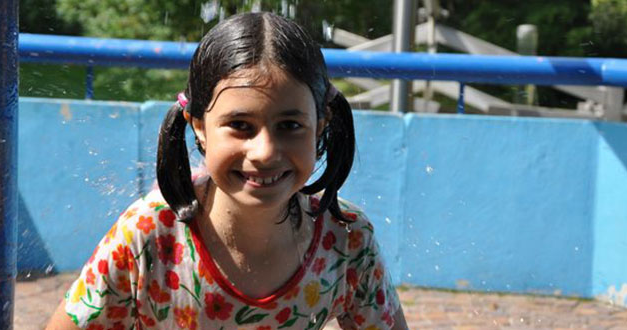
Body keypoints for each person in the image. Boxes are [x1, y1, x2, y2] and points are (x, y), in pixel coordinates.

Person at [46, 12, 407, 330]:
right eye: (239, 124)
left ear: (321, 124)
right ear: (199, 126)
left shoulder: (346, 240)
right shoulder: (148, 236)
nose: (265, 152)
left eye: (290, 126)